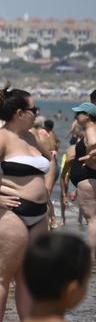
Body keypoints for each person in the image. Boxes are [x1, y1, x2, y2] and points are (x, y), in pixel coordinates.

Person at [0, 89, 56, 322]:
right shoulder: (2, 136)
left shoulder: (32, 137)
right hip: (7, 210)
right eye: (34, 110)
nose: (37, 113)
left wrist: (46, 190)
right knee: (3, 273)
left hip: (38, 212)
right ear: (20, 113)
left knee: (28, 275)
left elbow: (51, 160)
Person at [69, 102, 96, 249]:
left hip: (89, 178)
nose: (76, 116)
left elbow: (93, 142)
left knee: (92, 220)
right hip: (90, 178)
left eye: (79, 113)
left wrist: (91, 156)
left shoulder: (91, 129)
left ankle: (93, 257)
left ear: (88, 116)